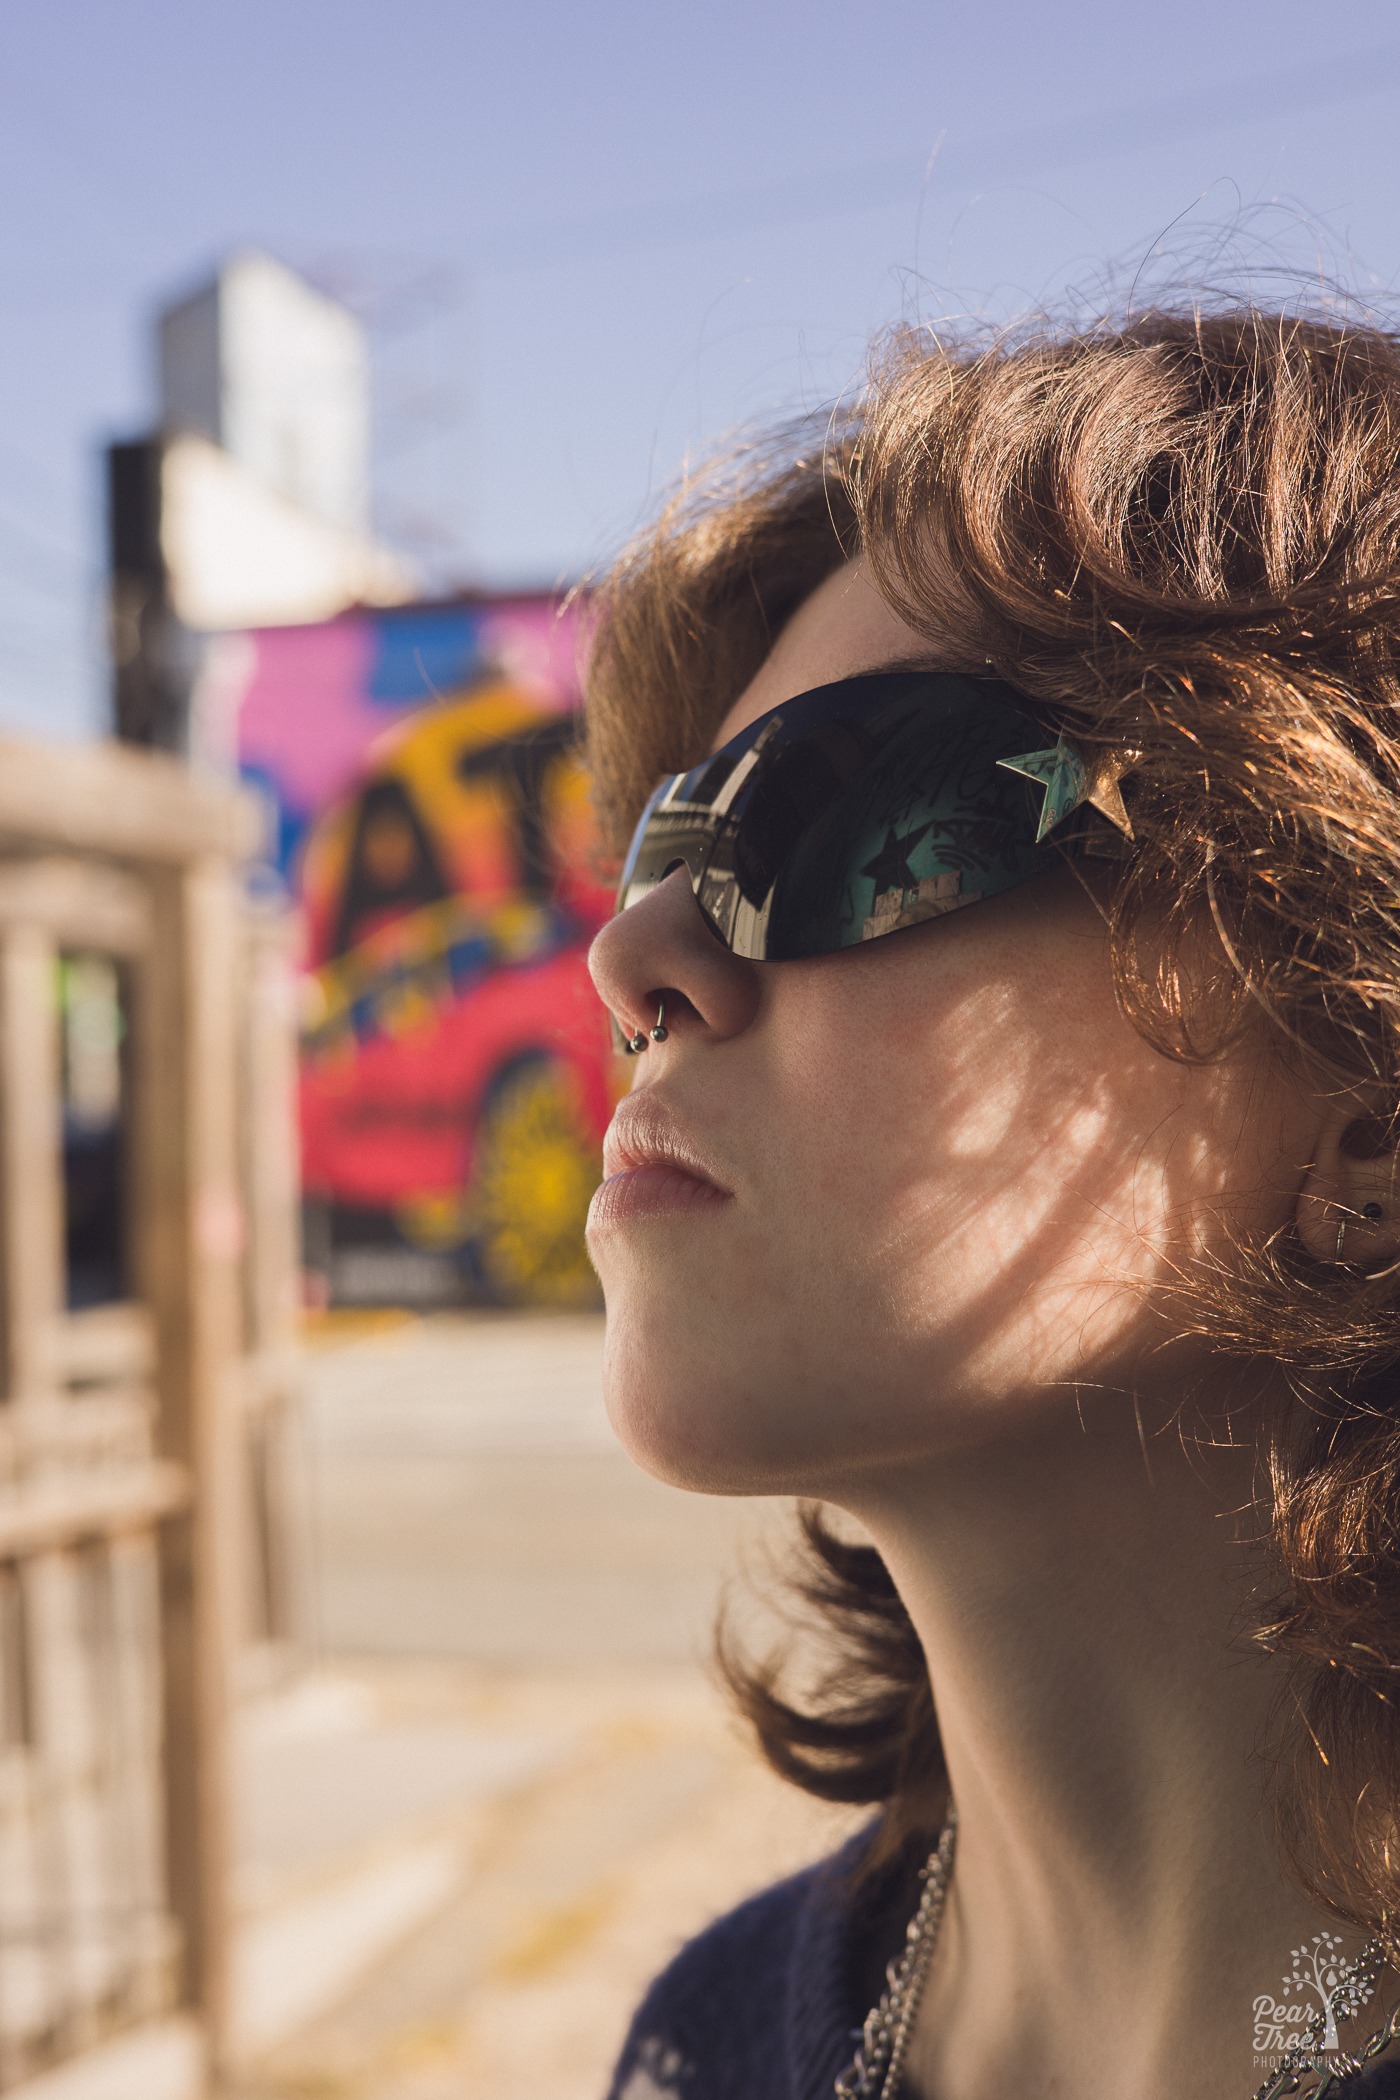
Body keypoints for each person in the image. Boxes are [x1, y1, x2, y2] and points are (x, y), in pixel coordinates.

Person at [583, 307, 1400, 2100]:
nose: (631, 959)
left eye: (859, 814)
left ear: (1370, 1110)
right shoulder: (702, 2046)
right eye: (672, 845)